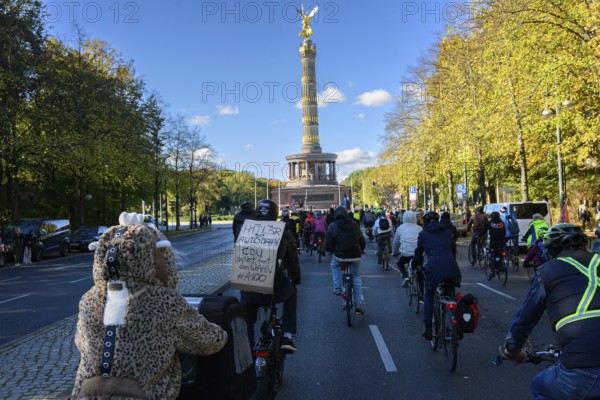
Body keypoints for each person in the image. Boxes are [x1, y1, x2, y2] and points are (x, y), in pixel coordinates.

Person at [70, 212, 228, 400]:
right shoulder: (163, 300)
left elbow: (81, 341)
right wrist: (223, 332)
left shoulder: (88, 299)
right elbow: (208, 340)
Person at [501, 223, 600, 399]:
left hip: (583, 370)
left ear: (551, 252)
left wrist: (513, 349)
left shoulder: (547, 272)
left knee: (539, 386)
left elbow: (525, 319)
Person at [240, 199, 301, 352]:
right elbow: (292, 259)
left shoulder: (246, 230)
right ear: (275, 214)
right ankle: (287, 335)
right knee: (292, 294)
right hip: (275, 286)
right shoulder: (283, 231)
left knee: (247, 320)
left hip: (249, 285)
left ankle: (248, 351)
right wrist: (296, 277)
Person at [414, 211, 462, 340]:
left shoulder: (423, 234)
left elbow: (419, 253)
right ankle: (456, 325)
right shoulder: (447, 233)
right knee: (451, 296)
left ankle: (428, 329)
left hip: (434, 268)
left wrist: (416, 265)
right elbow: (453, 251)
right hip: (452, 268)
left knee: (429, 294)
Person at [325, 205, 366, 314]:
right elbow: (362, 240)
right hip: (355, 255)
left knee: (334, 265)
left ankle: (337, 287)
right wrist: (361, 249)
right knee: (356, 277)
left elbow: (328, 245)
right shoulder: (354, 225)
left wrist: (330, 250)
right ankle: (358, 303)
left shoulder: (332, 226)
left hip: (340, 256)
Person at [392, 210, 423, 288]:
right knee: (419, 271)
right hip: (418, 255)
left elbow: (396, 242)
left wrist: (394, 252)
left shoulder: (400, 228)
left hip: (406, 254)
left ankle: (405, 276)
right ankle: (421, 295)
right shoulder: (420, 228)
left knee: (399, 262)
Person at [486, 211, 508, 279]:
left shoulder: (490, 222)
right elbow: (504, 232)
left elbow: (484, 230)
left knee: (492, 253)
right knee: (501, 252)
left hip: (494, 242)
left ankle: (493, 270)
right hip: (502, 241)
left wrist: (480, 235)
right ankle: (502, 262)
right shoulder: (501, 223)